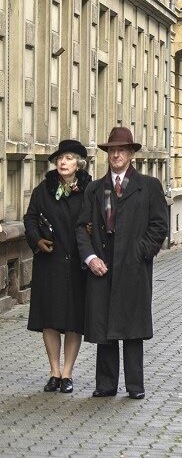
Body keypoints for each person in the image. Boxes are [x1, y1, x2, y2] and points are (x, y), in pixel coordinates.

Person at [75, 127, 169, 399]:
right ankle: (105, 385)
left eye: (121, 150)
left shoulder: (148, 186)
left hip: (133, 265)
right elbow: (82, 227)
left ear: (130, 154)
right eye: (112, 151)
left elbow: (159, 225)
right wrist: (90, 258)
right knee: (104, 327)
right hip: (102, 266)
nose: (116, 155)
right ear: (107, 154)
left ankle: (135, 386)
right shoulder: (95, 189)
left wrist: (142, 251)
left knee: (132, 328)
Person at [24, 140, 92, 394]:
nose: (63, 162)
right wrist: (36, 239)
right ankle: (54, 371)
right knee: (49, 320)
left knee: (74, 320)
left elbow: (96, 220)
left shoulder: (89, 190)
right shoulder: (44, 189)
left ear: (79, 164)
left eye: (69, 158)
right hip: (50, 262)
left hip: (76, 263)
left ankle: (67, 374)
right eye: (60, 158)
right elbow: (30, 217)